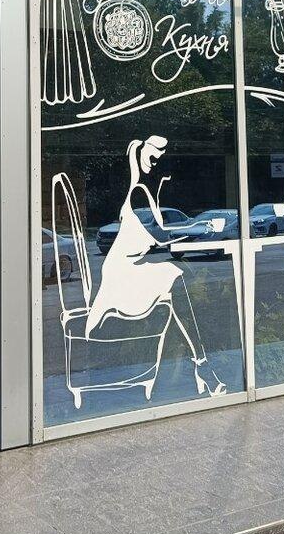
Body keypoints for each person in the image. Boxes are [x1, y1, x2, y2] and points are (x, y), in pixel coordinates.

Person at [86, 135, 229, 397]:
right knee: (176, 277)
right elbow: (162, 237)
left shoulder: (147, 192)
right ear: (142, 154)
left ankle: (198, 365)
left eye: (160, 158)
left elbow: (163, 233)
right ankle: (202, 366)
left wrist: (200, 227)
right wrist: (203, 226)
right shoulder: (139, 192)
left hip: (130, 270)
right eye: (152, 157)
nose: (155, 163)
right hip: (122, 273)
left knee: (176, 289)